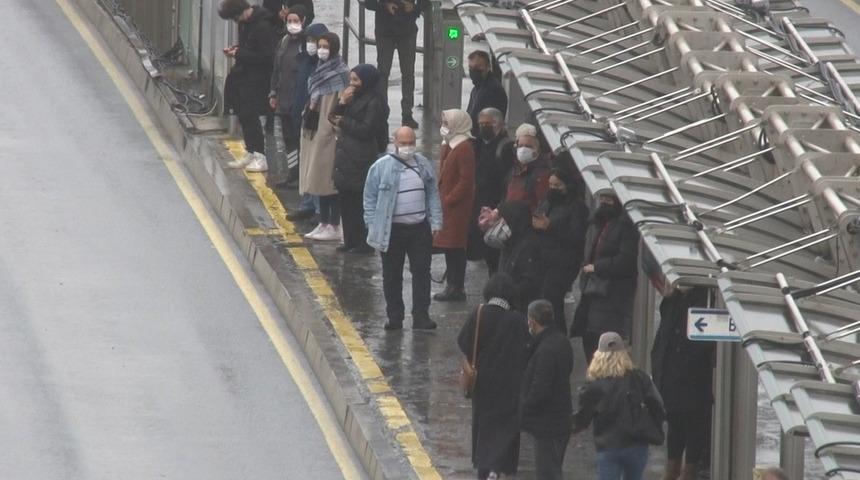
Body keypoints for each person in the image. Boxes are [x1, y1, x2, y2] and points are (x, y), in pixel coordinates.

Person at [364, 126, 442, 330]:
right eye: (404, 143)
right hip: (392, 231)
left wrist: (436, 221)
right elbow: (370, 199)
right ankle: (395, 317)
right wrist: (373, 226)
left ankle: (421, 316)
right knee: (392, 275)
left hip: (419, 229)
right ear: (395, 142)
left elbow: (433, 193)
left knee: (422, 273)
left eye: (411, 143)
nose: (408, 147)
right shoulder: (380, 167)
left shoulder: (423, 164)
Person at [457, 274, 530, 480]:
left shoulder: (479, 313)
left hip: (483, 383)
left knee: (484, 428)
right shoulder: (517, 320)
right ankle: (498, 469)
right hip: (510, 384)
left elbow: (464, 343)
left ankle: (485, 469)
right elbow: (527, 351)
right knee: (506, 429)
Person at [573, 332, 665, 480]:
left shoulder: (594, 384)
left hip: (608, 446)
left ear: (598, 354)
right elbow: (656, 403)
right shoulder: (638, 377)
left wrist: (572, 427)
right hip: (636, 443)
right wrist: (655, 424)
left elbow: (583, 416)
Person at [651, 286, 714, 480]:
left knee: (691, 431)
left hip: (691, 385)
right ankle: (676, 470)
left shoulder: (704, 301)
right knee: (676, 429)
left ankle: (687, 471)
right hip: (672, 383)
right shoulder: (674, 300)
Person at [572, 190, 639, 364]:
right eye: (602, 198)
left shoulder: (625, 227)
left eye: (609, 199)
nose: (604, 202)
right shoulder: (597, 222)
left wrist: (597, 267)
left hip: (611, 293)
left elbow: (626, 260)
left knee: (603, 339)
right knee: (589, 336)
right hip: (593, 289)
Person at [331, 64, 388, 253]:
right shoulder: (351, 98)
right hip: (345, 155)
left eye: (356, 80)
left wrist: (344, 121)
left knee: (359, 203)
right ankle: (350, 240)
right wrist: (341, 103)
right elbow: (332, 117)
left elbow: (367, 130)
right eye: (351, 80)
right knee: (346, 201)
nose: (352, 84)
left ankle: (363, 243)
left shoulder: (375, 102)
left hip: (361, 156)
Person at [299, 32, 349, 242]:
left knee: (329, 181)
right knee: (317, 178)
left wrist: (332, 130)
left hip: (327, 133)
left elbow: (341, 106)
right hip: (313, 128)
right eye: (319, 45)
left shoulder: (341, 74)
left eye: (325, 46)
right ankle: (323, 222)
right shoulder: (319, 70)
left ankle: (333, 223)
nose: (321, 49)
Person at [219, 0, 278, 172]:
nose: (236, 21)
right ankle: (251, 151)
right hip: (245, 76)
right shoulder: (245, 25)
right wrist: (237, 50)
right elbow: (249, 48)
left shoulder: (263, 27)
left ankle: (260, 155)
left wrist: (239, 53)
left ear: (243, 11)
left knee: (251, 115)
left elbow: (267, 57)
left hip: (259, 79)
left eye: (235, 17)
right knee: (244, 114)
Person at [520, 300, 574, 480]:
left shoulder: (545, 350)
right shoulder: (561, 342)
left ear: (533, 321)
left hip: (547, 422)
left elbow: (540, 389)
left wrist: (523, 409)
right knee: (554, 467)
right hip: (562, 417)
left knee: (548, 472)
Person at [533, 168, 589, 334]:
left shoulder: (577, 207)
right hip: (545, 258)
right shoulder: (549, 201)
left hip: (564, 262)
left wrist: (550, 227)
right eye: (550, 184)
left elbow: (576, 237)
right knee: (545, 299)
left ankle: (557, 336)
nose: (553, 188)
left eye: (557, 185)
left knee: (552, 300)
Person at [284, 23, 327, 223]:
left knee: (317, 167)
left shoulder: (326, 67)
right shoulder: (304, 62)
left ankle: (319, 209)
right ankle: (307, 203)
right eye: (308, 40)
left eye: (314, 41)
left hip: (318, 122)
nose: (311, 45)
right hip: (302, 119)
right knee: (305, 165)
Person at [433, 109, 476, 302]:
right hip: (448, 206)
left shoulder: (464, 148)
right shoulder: (450, 144)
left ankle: (456, 286)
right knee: (450, 247)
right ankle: (452, 284)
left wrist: (449, 199)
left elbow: (466, 181)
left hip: (456, 208)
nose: (444, 126)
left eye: (447, 123)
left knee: (455, 247)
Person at [364, 0, 429, 129]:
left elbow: (425, 3)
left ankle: (407, 114)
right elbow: (369, 3)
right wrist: (385, 5)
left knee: (408, 73)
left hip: (407, 29)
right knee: (383, 73)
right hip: (384, 30)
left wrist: (415, 8)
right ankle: (381, 113)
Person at [470, 107, 514, 275]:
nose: (483, 127)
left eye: (487, 124)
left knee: (496, 254)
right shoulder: (480, 144)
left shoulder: (505, 148)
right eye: (480, 124)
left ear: (500, 125)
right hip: (483, 208)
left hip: (496, 208)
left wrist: (500, 208)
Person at [268, 5, 308, 185]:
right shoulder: (283, 41)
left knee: (301, 139)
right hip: (283, 100)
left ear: (303, 21)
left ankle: (303, 175)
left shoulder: (308, 44)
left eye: (296, 21)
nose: (292, 24)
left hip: (300, 101)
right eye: (290, 21)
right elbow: (276, 70)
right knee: (288, 138)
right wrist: (273, 93)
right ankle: (292, 173)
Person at [495, 200, 543, 313]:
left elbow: (529, 281)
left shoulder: (529, 245)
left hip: (523, 306)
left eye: (504, 221)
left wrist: (507, 293)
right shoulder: (512, 240)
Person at [505, 123, 551, 213]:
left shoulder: (542, 173)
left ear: (537, 149)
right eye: (520, 146)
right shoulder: (514, 169)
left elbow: (542, 204)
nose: (523, 149)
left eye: (528, 146)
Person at [466, 51, 508, 137]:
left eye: (478, 67)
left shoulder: (492, 88)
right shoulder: (477, 88)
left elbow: (476, 118)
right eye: (471, 68)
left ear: (488, 67)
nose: (474, 71)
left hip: (486, 138)